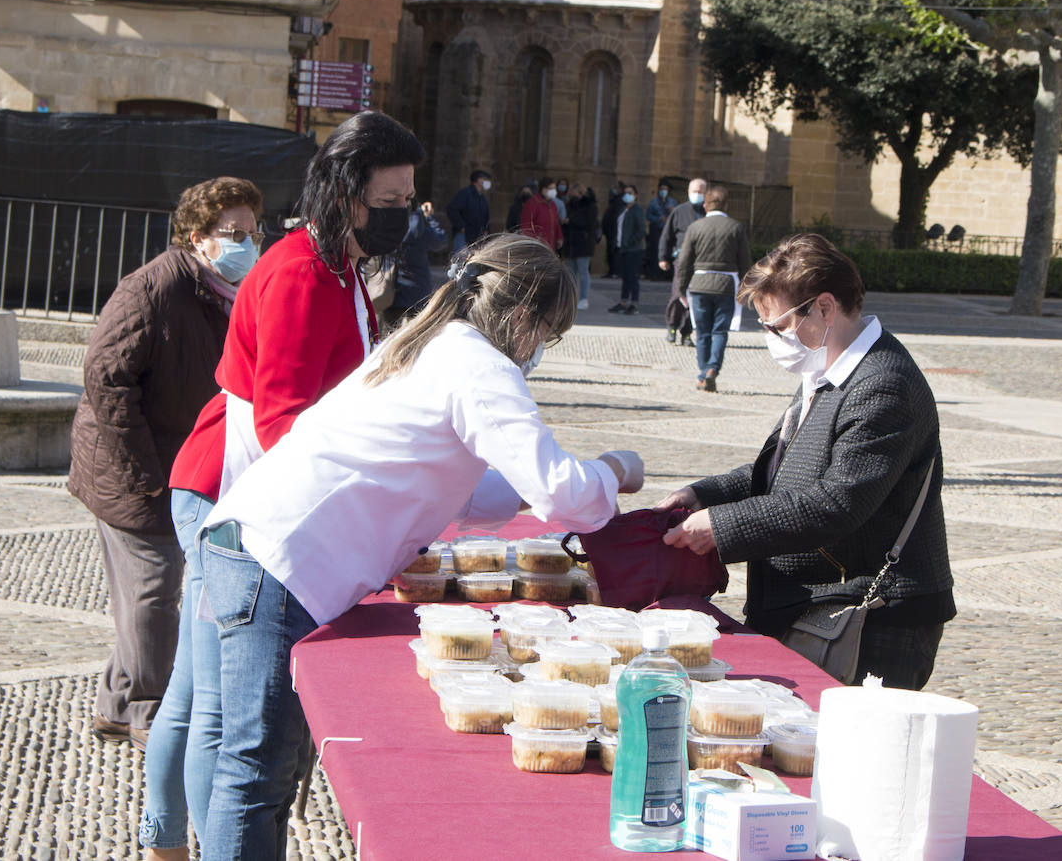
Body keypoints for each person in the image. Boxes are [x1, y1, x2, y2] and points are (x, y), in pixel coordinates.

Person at [198, 235, 644, 858]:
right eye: (551, 329)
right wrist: (615, 470)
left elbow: (448, 481)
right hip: (279, 561)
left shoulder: (431, 340)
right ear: (522, 319)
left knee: (260, 768)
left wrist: (520, 491)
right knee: (255, 772)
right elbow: (562, 495)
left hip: (264, 549)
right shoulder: (477, 363)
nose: (544, 346)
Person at [140, 112, 424, 861]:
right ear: (345, 196)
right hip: (228, 491)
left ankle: (167, 838)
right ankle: (178, 841)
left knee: (201, 697)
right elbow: (283, 421)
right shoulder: (303, 270)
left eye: (409, 202)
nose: (403, 216)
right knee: (213, 714)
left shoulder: (340, 267)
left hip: (245, 492)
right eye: (390, 202)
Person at [658, 233, 954, 690]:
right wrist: (703, 494)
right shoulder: (828, 368)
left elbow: (836, 503)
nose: (772, 339)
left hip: (873, 619)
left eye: (775, 326)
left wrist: (721, 525)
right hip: (816, 604)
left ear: (824, 308)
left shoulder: (883, 383)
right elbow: (781, 470)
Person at [69, 176, 263, 757]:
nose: (249, 245)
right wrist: (144, 472)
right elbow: (106, 377)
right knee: (154, 591)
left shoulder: (224, 290)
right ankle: (150, 711)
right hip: (136, 465)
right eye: (236, 234)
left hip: (181, 462)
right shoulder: (152, 287)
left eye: (255, 232)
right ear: (198, 237)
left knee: (144, 595)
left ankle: (114, 703)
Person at [674, 184, 751, 392]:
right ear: (726, 205)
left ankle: (702, 373)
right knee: (719, 331)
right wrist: (745, 288)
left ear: (705, 206)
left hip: (699, 284)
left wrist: (681, 289)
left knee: (703, 332)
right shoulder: (735, 227)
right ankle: (712, 370)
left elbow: (684, 261)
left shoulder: (695, 227)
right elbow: (745, 262)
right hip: (725, 285)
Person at [658, 178, 706, 345]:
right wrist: (663, 257)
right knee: (678, 295)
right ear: (688, 192)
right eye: (695, 191)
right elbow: (667, 236)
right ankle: (671, 327)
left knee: (693, 299)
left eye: (701, 192)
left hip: (701, 263)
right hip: (681, 260)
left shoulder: (708, 212)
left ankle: (686, 332)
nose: (697, 195)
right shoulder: (679, 211)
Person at [385, 200, 447, 327]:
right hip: (418, 294)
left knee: (390, 337)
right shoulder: (421, 232)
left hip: (392, 294)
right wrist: (429, 217)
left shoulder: (389, 228)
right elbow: (441, 240)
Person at [609, 184, 645, 314]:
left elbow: (641, 230)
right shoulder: (623, 209)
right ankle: (623, 302)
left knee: (632, 277)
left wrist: (629, 242)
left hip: (633, 249)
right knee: (625, 277)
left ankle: (634, 303)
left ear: (635, 195)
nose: (627, 195)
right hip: (622, 249)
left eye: (630, 193)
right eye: (626, 193)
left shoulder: (637, 210)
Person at [563, 184, 599, 310]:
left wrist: (571, 221)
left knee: (583, 271)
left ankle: (584, 298)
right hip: (571, 242)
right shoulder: (570, 205)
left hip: (584, 243)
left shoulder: (590, 206)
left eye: (573, 191)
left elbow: (589, 223)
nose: (571, 194)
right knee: (571, 273)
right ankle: (572, 298)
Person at [445, 169, 491, 254]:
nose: (487, 182)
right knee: (460, 262)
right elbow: (451, 209)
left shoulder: (482, 198)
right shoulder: (465, 193)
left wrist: (485, 230)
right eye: (485, 179)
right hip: (463, 236)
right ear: (478, 180)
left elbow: (485, 217)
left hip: (477, 238)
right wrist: (461, 226)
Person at [520, 176, 563, 251]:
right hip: (537, 246)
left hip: (551, 245)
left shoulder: (553, 205)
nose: (553, 191)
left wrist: (559, 237)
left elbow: (556, 222)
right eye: (550, 188)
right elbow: (526, 225)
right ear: (543, 189)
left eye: (554, 188)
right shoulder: (533, 203)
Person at [645, 180, 677, 279]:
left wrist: (672, 211)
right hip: (657, 230)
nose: (664, 191)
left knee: (669, 251)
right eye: (662, 189)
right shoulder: (653, 202)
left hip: (668, 230)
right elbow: (648, 215)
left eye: (666, 189)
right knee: (655, 251)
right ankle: (655, 273)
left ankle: (667, 274)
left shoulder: (672, 202)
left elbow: (677, 215)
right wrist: (659, 219)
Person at [600, 179, 627, 278]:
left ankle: (615, 271)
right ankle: (612, 271)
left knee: (614, 251)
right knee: (610, 251)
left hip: (614, 230)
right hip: (610, 230)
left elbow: (616, 216)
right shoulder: (614, 199)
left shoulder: (619, 200)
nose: (613, 189)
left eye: (615, 187)